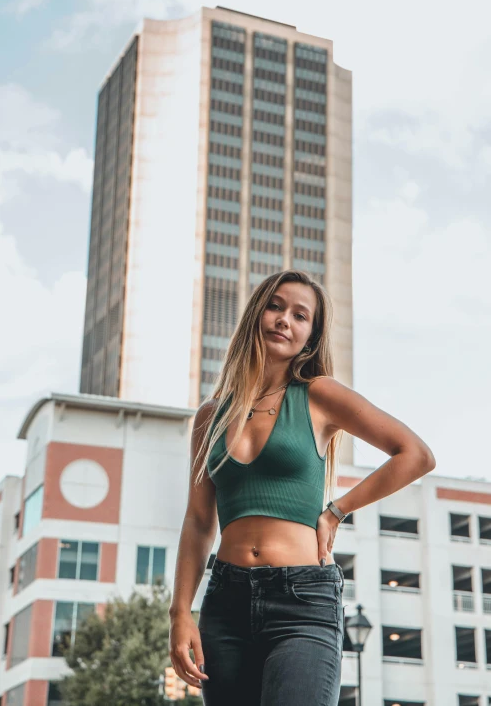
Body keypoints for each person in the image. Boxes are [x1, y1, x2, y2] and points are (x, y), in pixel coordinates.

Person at [169, 269, 435, 705]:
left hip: (302, 602)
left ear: (310, 337)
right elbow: (199, 521)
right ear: (257, 313)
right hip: (226, 603)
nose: (284, 320)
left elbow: (415, 454)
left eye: (300, 315)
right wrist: (181, 612)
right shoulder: (209, 417)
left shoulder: (318, 394)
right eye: (275, 306)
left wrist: (338, 509)